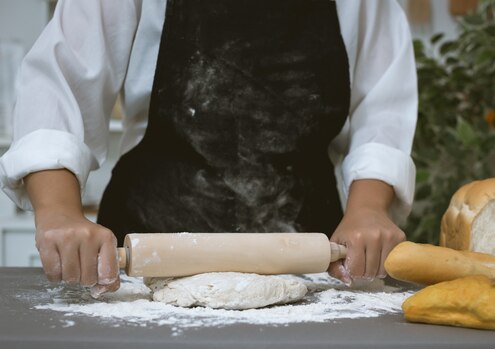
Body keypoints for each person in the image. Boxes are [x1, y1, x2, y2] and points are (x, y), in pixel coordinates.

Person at [0, 0, 417, 296]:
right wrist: (58, 211)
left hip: (311, 264)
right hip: (143, 260)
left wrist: (368, 209)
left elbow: (382, 111)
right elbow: (58, 87)